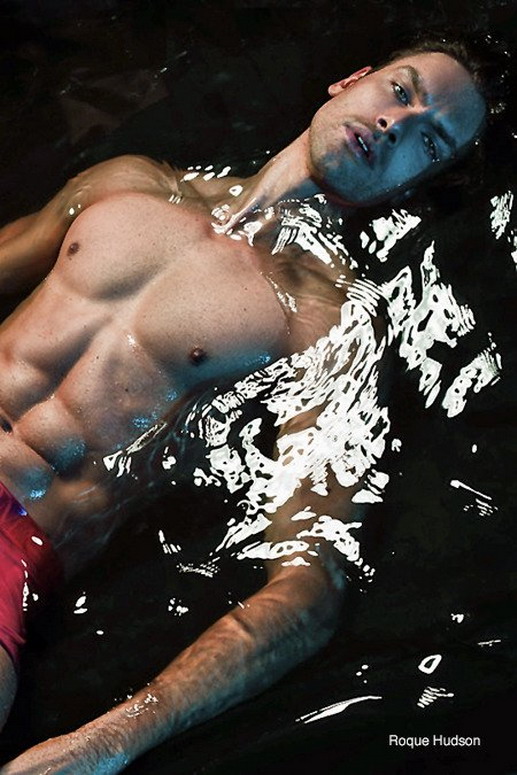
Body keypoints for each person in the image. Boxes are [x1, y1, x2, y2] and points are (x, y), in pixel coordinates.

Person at [0, 43, 488, 774]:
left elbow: (309, 586)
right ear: (350, 81)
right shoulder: (125, 183)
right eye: (401, 91)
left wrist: (104, 744)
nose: (397, 124)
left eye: (430, 140)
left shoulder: (329, 327)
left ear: (419, 182)